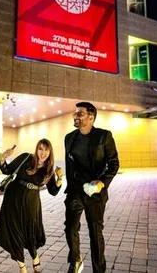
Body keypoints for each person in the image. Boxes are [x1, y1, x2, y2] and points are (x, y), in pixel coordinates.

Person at [0, 139, 64, 273]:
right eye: (40, 149)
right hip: (13, 200)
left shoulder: (48, 170)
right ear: (36, 149)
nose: (43, 153)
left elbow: (53, 191)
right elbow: (7, 170)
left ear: (50, 152)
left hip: (32, 203)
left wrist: (60, 179)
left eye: (46, 150)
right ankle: (22, 268)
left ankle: (35, 257)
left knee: (30, 232)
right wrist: (3, 158)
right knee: (15, 233)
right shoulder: (26, 158)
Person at [64, 102, 119, 273]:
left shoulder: (104, 136)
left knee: (95, 232)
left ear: (91, 117)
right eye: (75, 113)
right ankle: (76, 261)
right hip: (75, 191)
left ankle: (99, 269)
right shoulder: (69, 138)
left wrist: (102, 182)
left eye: (79, 114)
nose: (75, 116)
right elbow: (69, 165)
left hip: (95, 193)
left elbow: (114, 163)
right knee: (70, 228)